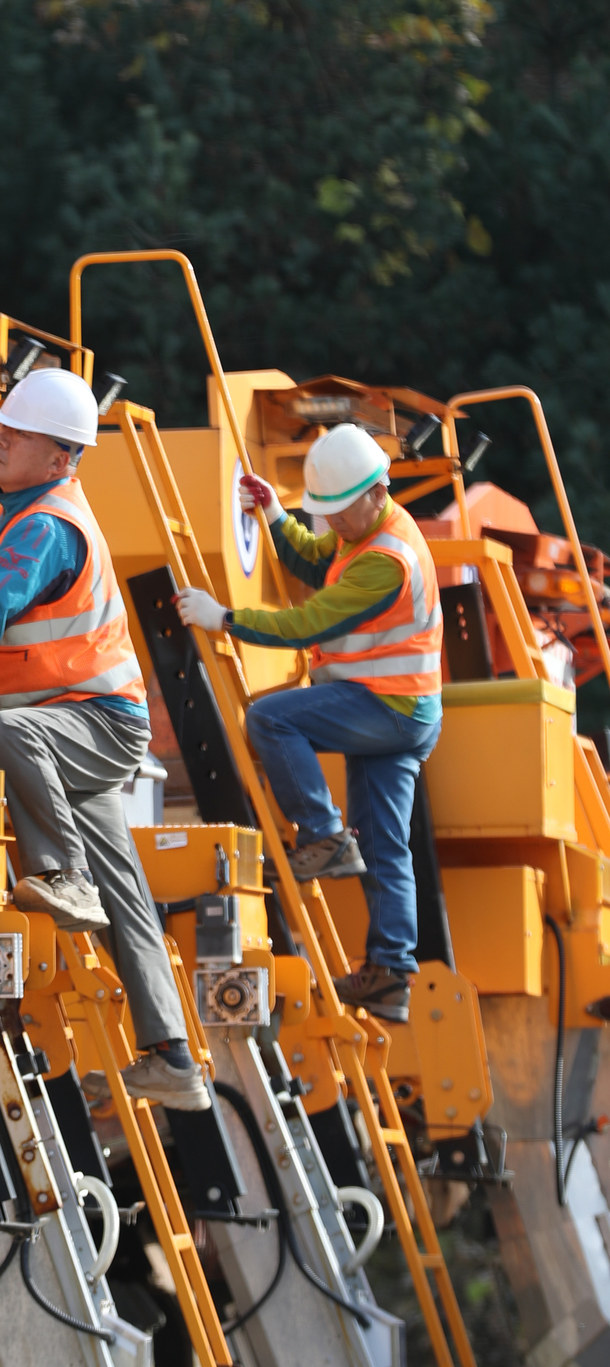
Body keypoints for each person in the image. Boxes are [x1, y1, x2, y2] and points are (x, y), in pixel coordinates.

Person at [0, 368, 210, 1111]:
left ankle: (64, 874)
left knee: (4, 734)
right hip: (86, 727)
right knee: (126, 891)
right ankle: (172, 1056)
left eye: (15, 436)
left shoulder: (46, 527)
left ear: (60, 458)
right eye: (1, 429)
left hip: (88, 726)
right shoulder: (33, 510)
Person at [175, 423, 443, 1025]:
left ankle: (322, 836)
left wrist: (224, 618)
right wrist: (274, 513)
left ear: (378, 491)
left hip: (390, 709)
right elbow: (309, 558)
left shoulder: (386, 561)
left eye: (339, 511)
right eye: (327, 512)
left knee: (270, 719)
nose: (333, 523)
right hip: (403, 708)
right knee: (385, 847)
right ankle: (391, 976)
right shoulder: (363, 532)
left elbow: (309, 622)